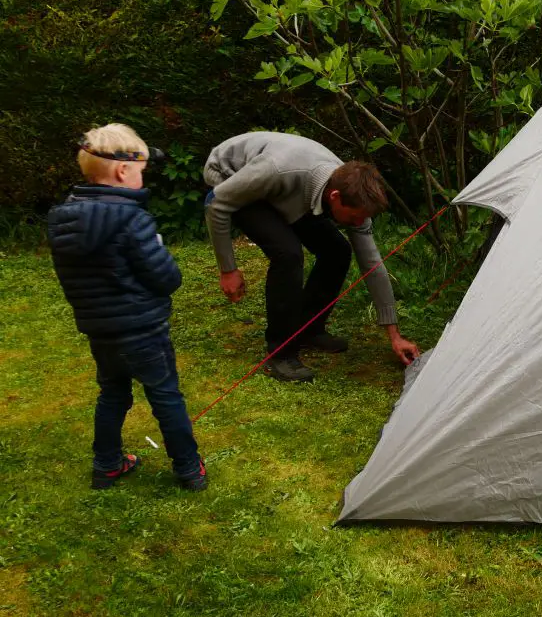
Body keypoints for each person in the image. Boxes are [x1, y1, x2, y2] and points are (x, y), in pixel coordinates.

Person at [47, 124, 208, 491]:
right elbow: (166, 277)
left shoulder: (63, 219)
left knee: (113, 393)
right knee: (166, 395)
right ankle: (188, 468)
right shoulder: (132, 219)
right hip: (143, 331)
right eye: (141, 170)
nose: (142, 177)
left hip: (100, 330)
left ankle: (107, 464)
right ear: (123, 171)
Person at [202, 132, 420, 382]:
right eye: (353, 218)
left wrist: (394, 334)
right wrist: (228, 269)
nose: (358, 224)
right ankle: (281, 354)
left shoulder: (353, 194)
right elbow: (217, 203)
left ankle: (308, 329)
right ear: (335, 197)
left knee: (337, 250)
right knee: (288, 254)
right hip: (230, 175)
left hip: (288, 187)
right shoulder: (275, 171)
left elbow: (371, 263)